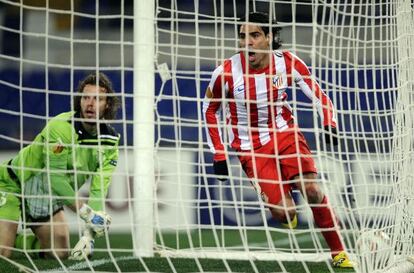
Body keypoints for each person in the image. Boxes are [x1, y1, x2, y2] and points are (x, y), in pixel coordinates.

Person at [202, 12, 353, 268]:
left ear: (270, 38)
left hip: (285, 134)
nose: (246, 42)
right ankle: (284, 201)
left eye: (255, 35)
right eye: (242, 36)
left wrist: (330, 123)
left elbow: (319, 96)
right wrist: (219, 153)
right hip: (250, 146)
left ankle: (339, 253)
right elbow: (210, 110)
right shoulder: (226, 72)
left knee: (313, 190)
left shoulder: (288, 63)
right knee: (285, 212)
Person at [0, 72, 120, 260]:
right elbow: (54, 177)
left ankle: (19, 240)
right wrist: (86, 213)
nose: (90, 103)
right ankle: (8, 238)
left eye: (98, 99)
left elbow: (99, 189)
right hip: (14, 184)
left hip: (44, 198)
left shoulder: (109, 142)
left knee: (60, 253)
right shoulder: (61, 127)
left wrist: (89, 237)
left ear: (108, 105)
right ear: (79, 101)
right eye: (86, 97)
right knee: (2, 253)